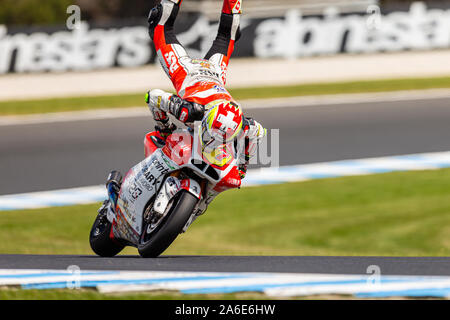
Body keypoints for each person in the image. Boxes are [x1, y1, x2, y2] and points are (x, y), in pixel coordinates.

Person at [145, 0, 266, 179]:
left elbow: (258, 132)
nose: (213, 142)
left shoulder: (244, 125)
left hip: (214, 76)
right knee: (159, 25)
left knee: (228, 34)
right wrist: (164, 127)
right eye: (212, 137)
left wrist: (242, 164)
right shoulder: (187, 110)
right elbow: (153, 96)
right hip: (189, 72)